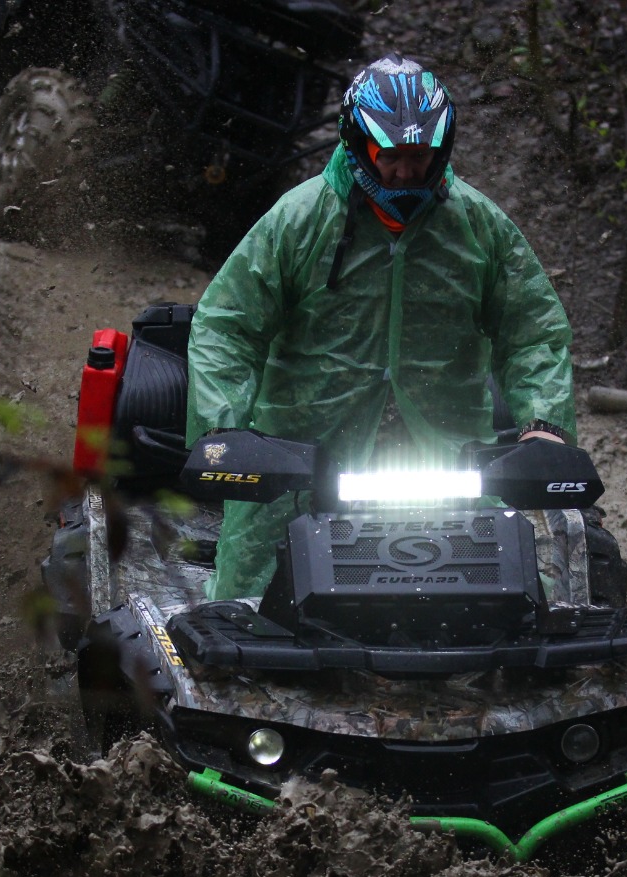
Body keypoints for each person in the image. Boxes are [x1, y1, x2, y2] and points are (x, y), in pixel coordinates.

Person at [186, 53, 576, 600]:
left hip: (446, 457)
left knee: (499, 594)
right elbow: (227, 326)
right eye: (391, 156)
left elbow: (533, 330)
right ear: (357, 143)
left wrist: (545, 424)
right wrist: (222, 430)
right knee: (247, 601)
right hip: (300, 457)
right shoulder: (299, 220)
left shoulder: (478, 227)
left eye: (421, 156)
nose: (406, 172)